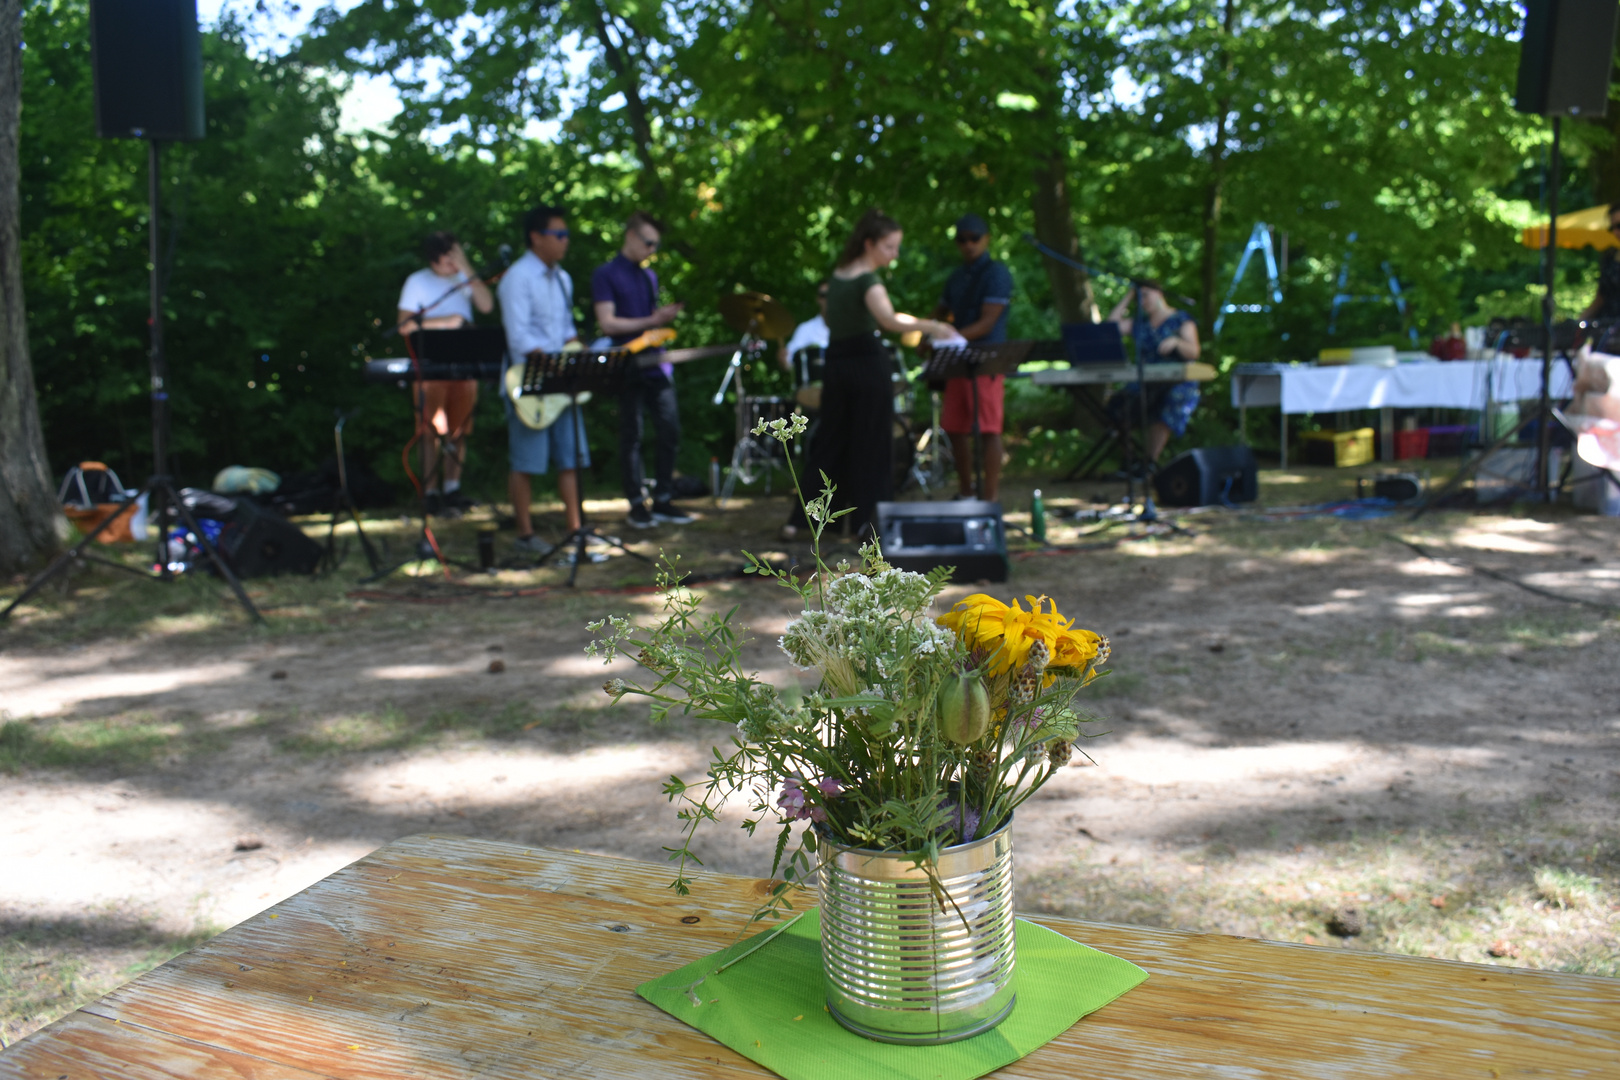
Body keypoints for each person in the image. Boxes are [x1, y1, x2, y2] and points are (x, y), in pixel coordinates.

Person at [782, 209, 955, 541]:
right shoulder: (867, 280)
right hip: (865, 364)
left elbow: (835, 323)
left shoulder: (837, 277)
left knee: (830, 442)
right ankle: (869, 525)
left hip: (837, 363)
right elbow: (889, 320)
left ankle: (806, 522)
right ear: (869, 243)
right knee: (873, 444)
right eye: (890, 247)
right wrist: (932, 325)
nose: (894, 255)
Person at [497, 205, 601, 561]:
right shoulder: (518, 277)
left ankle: (576, 530)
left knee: (571, 458)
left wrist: (582, 353)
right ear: (536, 237)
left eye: (566, 234)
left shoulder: (563, 278)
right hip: (530, 383)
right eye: (559, 234)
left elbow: (565, 331)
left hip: (563, 383)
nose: (565, 241)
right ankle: (525, 533)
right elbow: (518, 338)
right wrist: (557, 362)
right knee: (526, 461)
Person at [592, 211, 690, 529]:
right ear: (631, 236)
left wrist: (661, 320)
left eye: (656, 245)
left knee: (670, 428)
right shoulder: (605, 274)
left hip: (655, 365)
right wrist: (651, 322)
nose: (652, 250)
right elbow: (608, 322)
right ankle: (636, 503)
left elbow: (650, 319)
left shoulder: (649, 276)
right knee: (631, 434)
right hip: (626, 366)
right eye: (648, 242)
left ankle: (663, 498)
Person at [396, 231, 494, 515]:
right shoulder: (417, 281)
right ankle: (430, 491)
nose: (455, 261)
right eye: (451, 256)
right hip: (431, 368)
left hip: (464, 367)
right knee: (429, 431)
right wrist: (445, 322)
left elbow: (486, 305)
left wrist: (466, 268)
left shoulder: (464, 279)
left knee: (459, 430)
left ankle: (453, 488)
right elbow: (405, 325)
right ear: (436, 259)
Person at [932, 213, 1014, 500]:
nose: (968, 245)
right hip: (956, 361)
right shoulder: (956, 277)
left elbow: (988, 321)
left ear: (986, 239)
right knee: (954, 427)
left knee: (989, 429)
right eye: (962, 240)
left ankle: (989, 497)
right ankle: (966, 491)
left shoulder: (997, 273)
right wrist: (925, 334)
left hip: (987, 360)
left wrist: (949, 338)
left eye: (974, 238)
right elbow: (940, 312)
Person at [1105, 280, 1202, 465]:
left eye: (1146, 295)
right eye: (1139, 298)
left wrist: (1177, 343)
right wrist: (1128, 296)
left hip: (1177, 381)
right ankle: (1130, 461)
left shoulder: (1181, 319)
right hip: (1145, 380)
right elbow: (1111, 328)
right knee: (1117, 405)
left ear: (1159, 293)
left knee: (1170, 402)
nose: (1143, 302)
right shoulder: (1139, 323)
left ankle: (1150, 461)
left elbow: (1194, 351)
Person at [780, 280, 831, 374]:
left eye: (831, 294)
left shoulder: (851, 328)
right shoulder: (805, 329)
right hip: (817, 388)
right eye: (823, 295)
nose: (827, 299)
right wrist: (784, 362)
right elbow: (789, 362)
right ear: (818, 299)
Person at [1580, 206, 1620, 324]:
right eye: (1612, 228)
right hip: (1607, 327)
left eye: (1619, 226)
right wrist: (1579, 322)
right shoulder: (1610, 257)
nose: (1615, 232)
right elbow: (1601, 297)